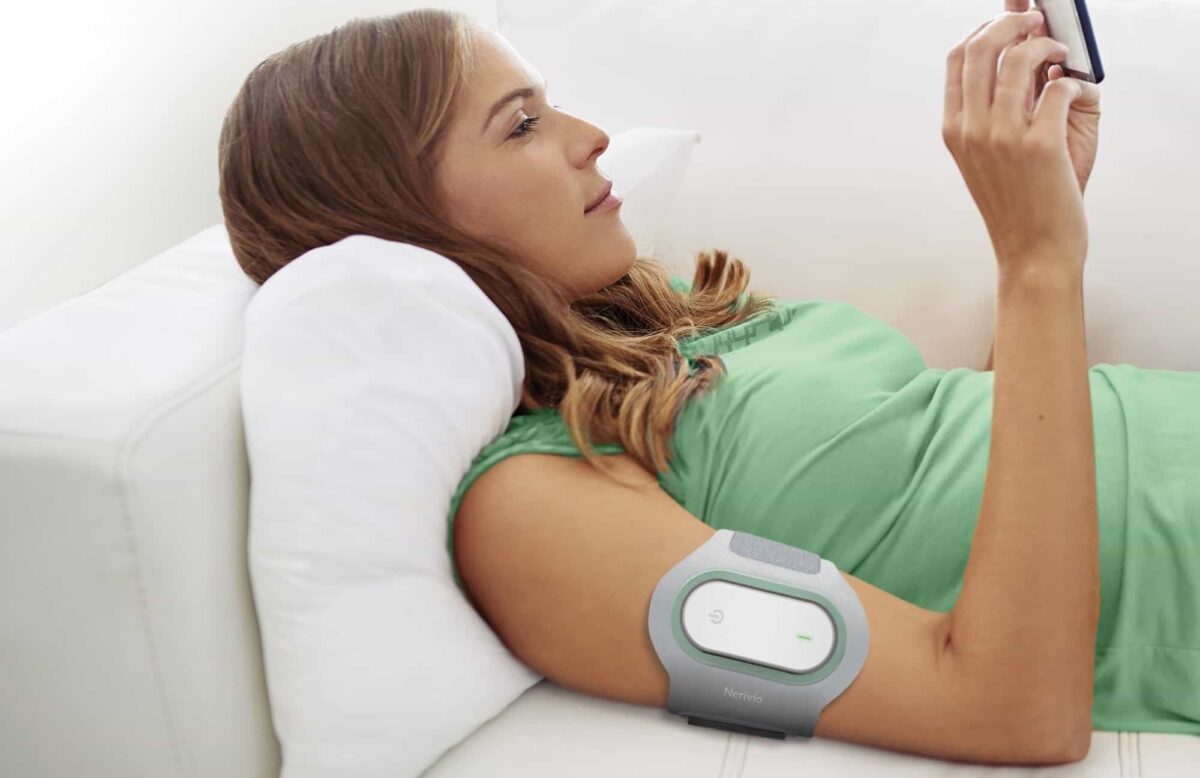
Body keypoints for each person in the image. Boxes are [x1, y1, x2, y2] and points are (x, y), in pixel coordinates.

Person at [217, 1, 1200, 766]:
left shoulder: (675, 321)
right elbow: (1010, 706)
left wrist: (1047, 210)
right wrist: (1035, 263)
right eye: (521, 127)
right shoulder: (531, 509)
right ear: (403, 219)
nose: (590, 135)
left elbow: (958, 476)